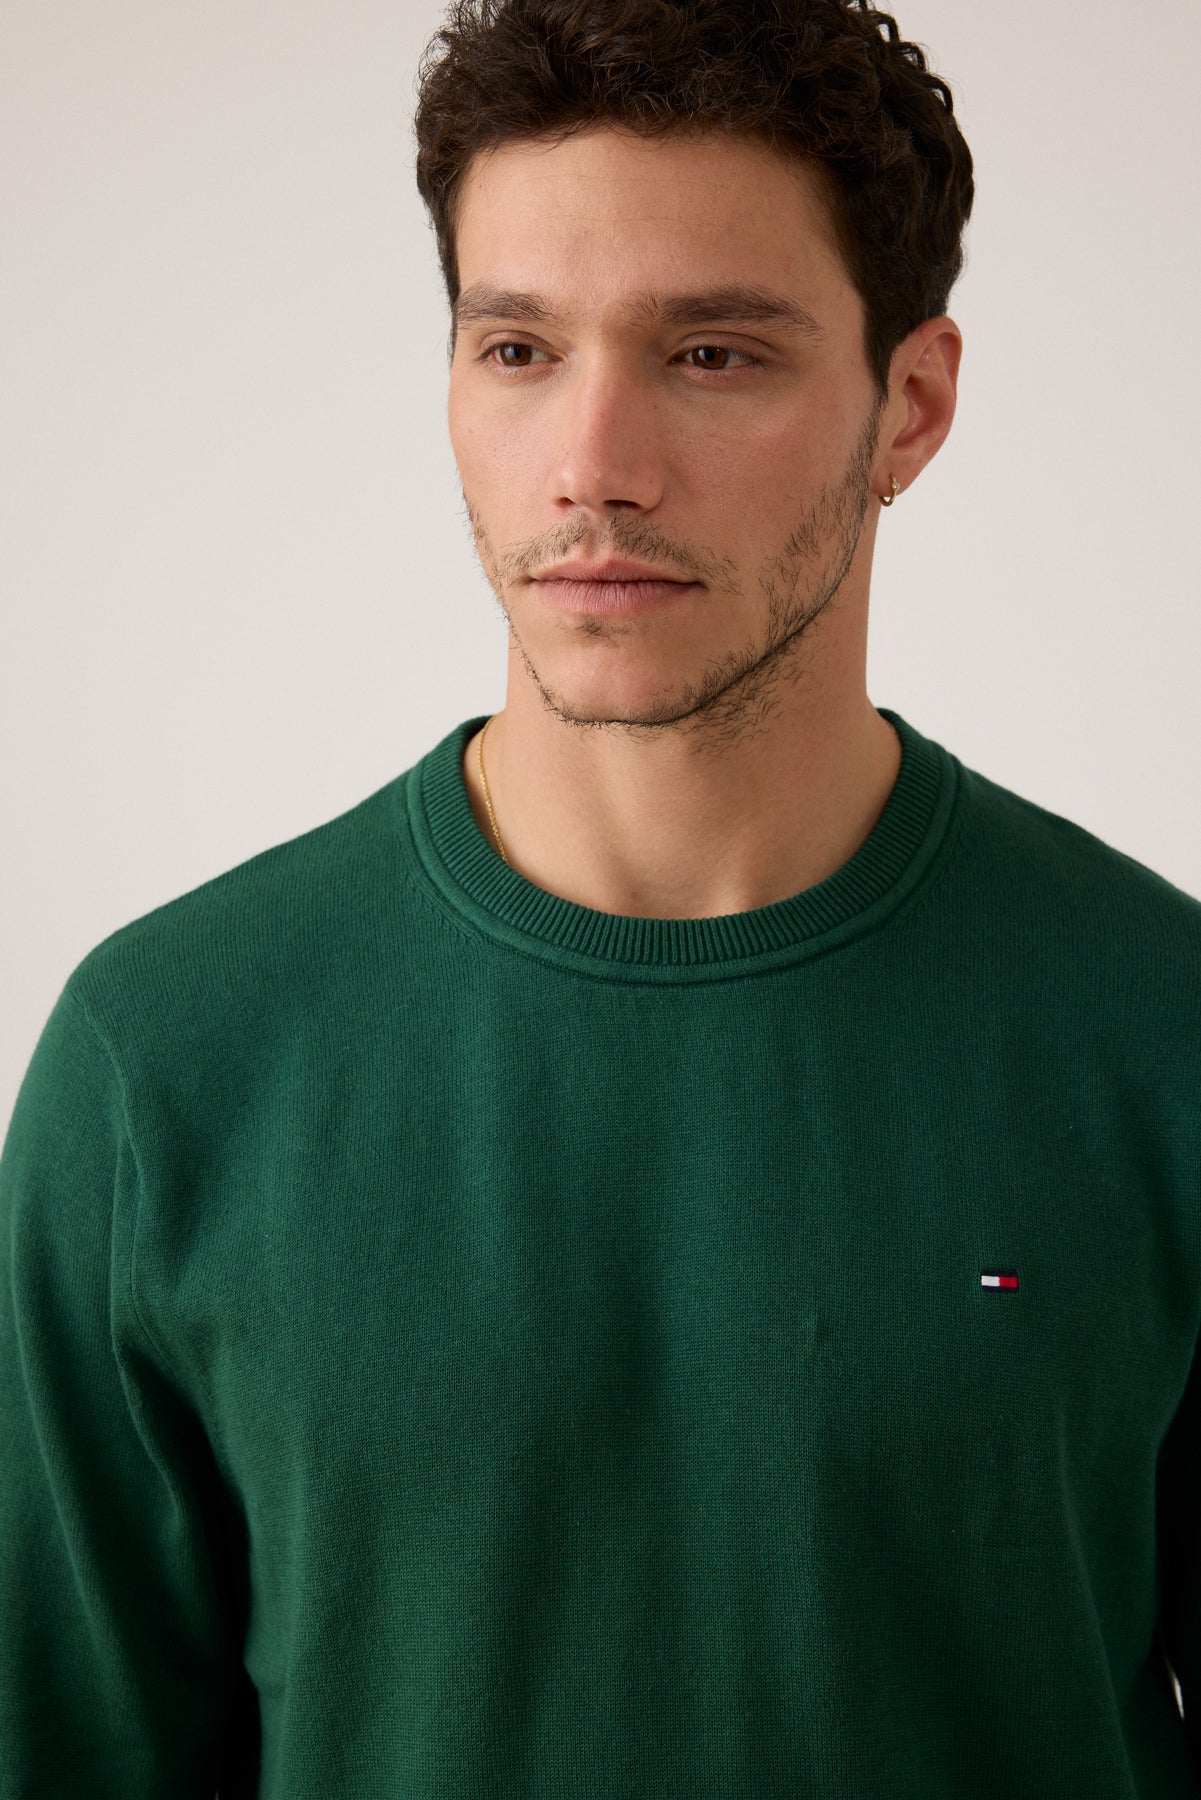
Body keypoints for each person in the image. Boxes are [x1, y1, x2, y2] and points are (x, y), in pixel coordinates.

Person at [2, 0, 1199, 1793]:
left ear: (911, 404)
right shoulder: (163, 1062)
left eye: (711, 353)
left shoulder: (1160, 1036)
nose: (593, 464)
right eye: (517, 350)